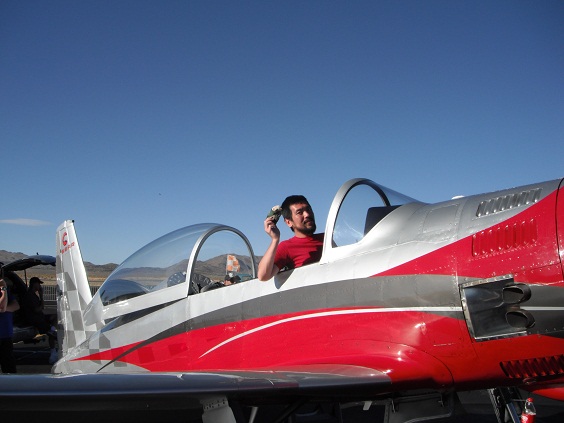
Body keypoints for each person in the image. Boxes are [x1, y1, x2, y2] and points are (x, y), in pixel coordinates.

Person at [258, 195, 324, 281]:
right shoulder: (286, 247)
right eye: (299, 212)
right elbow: (263, 276)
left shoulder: (326, 238)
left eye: (308, 209)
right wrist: (275, 239)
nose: (307, 214)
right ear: (288, 222)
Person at [22, 277, 57, 364]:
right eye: (38, 284)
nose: (40, 286)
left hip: (39, 317)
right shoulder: (29, 296)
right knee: (51, 334)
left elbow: (42, 307)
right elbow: (37, 309)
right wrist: (41, 298)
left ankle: (52, 329)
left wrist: (41, 296)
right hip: (35, 319)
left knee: (54, 316)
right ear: (34, 284)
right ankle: (53, 353)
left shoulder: (34, 295)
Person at [0, 277, 19, 373]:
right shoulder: (4, 292)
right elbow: (2, 306)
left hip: (6, 334)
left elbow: (16, 306)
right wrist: (4, 289)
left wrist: (5, 309)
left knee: (9, 365)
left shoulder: (6, 293)